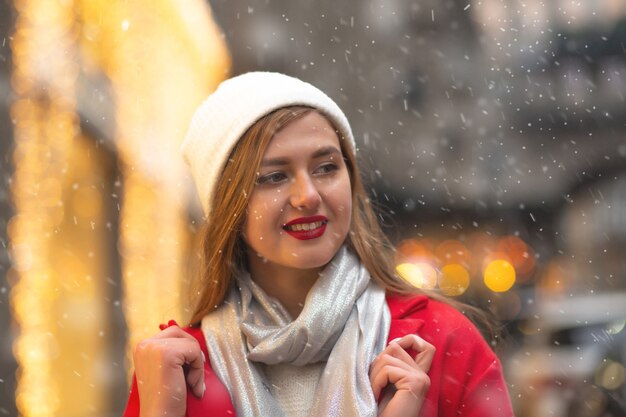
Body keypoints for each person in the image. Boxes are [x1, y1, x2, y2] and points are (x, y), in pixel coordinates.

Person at [123, 72, 515, 417]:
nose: (307, 195)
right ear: (230, 209)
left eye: (326, 167)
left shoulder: (442, 342)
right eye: (274, 177)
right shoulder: (175, 369)